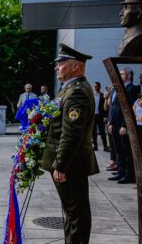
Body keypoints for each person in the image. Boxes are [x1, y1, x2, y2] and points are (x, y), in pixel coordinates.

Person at [40, 43, 99, 244]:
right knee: (72, 212)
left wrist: (61, 164)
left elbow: (71, 133)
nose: (57, 68)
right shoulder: (69, 89)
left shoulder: (77, 92)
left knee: (76, 214)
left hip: (71, 163)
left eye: (62, 64)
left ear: (76, 67)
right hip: (68, 161)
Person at [107, 67, 138, 184]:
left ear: (129, 76)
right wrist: (110, 122)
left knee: (126, 151)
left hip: (123, 125)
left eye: (122, 74)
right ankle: (120, 171)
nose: (119, 76)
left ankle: (128, 175)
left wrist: (125, 125)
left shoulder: (132, 89)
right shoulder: (116, 88)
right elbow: (112, 107)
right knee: (118, 150)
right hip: (114, 124)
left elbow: (130, 109)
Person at [92, 82, 109, 151]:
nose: (95, 87)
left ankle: (105, 146)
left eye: (97, 86)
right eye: (94, 86)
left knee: (102, 132)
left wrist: (105, 116)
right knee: (94, 132)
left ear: (99, 87)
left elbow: (105, 108)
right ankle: (95, 146)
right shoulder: (91, 95)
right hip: (93, 116)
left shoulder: (102, 96)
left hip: (100, 116)